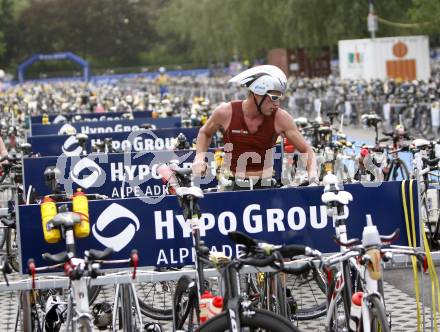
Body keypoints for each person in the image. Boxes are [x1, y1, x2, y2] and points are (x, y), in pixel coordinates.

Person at [192, 65, 316, 190]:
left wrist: (313, 176)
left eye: (279, 98)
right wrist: (199, 158)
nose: (277, 104)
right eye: (274, 97)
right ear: (257, 93)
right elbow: (205, 133)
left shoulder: (281, 118)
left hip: (265, 185)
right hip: (232, 183)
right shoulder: (225, 112)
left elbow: (306, 149)